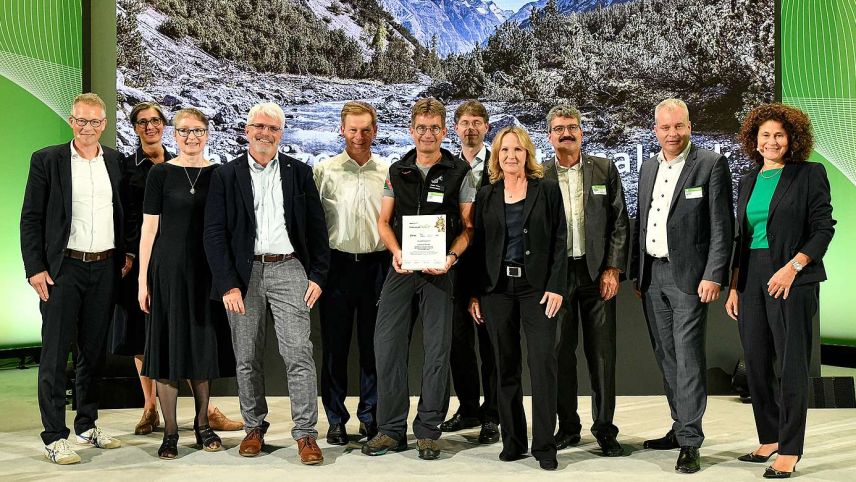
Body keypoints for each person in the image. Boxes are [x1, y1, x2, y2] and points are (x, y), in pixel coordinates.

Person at [203, 102, 329, 465]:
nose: (265, 133)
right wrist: (228, 284)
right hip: (244, 276)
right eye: (259, 126)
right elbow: (213, 234)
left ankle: (306, 434)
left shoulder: (299, 173)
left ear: (281, 134)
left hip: (290, 269)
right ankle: (253, 428)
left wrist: (318, 275)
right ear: (247, 130)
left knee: (298, 355)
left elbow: (317, 229)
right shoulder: (226, 176)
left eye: (273, 128)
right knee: (246, 357)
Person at [114, 102, 242, 436]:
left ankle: (203, 426)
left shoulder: (220, 174)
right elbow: (149, 230)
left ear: (206, 134)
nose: (190, 137)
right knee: (168, 347)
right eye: (183, 131)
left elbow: (229, 228)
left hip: (206, 273)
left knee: (201, 347)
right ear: (175, 134)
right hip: (167, 271)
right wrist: (142, 280)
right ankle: (170, 432)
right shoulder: (160, 174)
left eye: (197, 131)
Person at [362, 98, 475, 460]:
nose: (427, 134)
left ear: (444, 131)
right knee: (387, 346)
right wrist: (395, 251)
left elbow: (469, 228)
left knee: (437, 352)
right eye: (421, 128)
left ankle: (428, 430)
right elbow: (383, 222)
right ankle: (390, 430)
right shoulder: (397, 171)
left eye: (434, 128)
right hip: (401, 269)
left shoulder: (460, 172)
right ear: (412, 131)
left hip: (440, 273)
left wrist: (451, 258)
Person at [726, 103, 834, 478]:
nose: (771, 141)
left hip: (792, 277)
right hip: (752, 277)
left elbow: (824, 228)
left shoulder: (809, 174)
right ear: (754, 140)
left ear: (792, 140)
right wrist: (735, 286)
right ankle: (769, 437)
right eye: (765, 135)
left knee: (790, 365)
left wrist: (794, 267)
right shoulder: (748, 179)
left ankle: (790, 448)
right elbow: (743, 237)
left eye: (779, 135)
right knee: (756, 362)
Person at [631, 98, 733, 474]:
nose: (672, 134)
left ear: (690, 125)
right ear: (654, 129)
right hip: (652, 276)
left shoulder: (710, 164)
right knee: (667, 355)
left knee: (688, 357)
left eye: (679, 126)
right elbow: (642, 222)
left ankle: (690, 440)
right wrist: (638, 274)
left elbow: (722, 226)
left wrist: (714, 274)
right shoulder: (646, 166)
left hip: (689, 277)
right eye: (664, 127)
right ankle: (679, 426)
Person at [20, 93, 124, 464]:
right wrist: (35, 268)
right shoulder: (47, 160)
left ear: (105, 124)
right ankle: (54, 436)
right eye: (81, 121)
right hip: (63, 271)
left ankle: (87, 423)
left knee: (93, 353)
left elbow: (122, 213)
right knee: (54, 353)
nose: (88, 128)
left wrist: (125, 255)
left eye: (95, 122)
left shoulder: (114, 160)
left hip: (104, 268)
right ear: (71, 121)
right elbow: (31, 217)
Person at [468, 126, 567, 470]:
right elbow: (478, 248)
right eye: (505, 150)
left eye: (518, 150)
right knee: (503, 367)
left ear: (528, 154)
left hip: (537, 290)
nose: (511, 156)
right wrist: (476, 294)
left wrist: (556, 286)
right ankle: (513, 442)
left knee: (542, 366)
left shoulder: (548, 190)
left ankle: (545, 446)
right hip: (496, 291)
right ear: (496, 156)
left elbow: (559, 240)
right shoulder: (487, 195)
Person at [542, 104, 629, 456]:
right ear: (549, 136)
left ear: (582, 131)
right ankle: (569, 427)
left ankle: (605, 428)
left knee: (602, 354)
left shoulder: (604, 168)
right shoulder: (540, 174)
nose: (567, 133)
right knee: (561, 353)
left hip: (597, 275)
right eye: (560, 128)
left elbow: (620, 221)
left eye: (573, 127)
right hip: (557, 278)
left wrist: (613, 268)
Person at [314, 101, 389, 445]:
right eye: (353, 129)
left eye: (366, 129)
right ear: (341, 130)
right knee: (335, 348)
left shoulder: (388, 172)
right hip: (337, 267)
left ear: (375, 131)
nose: (359, 136)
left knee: (373, 347)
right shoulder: (324, 171)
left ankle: (370, 416)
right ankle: (335, 419)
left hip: (377, 267)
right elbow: (312, 225)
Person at [439, 100, 499, 444]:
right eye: (464, 122)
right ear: (455, 128)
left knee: (491, 342)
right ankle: (468, 407)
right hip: (454, 264)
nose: (470, 128)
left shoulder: (500, 163)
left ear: (486, 127)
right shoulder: (446, 166)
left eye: (477, 122)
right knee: (457, 342)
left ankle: (493, 413)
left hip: (490, 266)